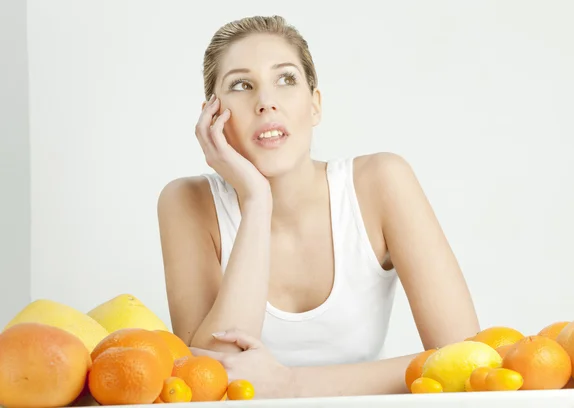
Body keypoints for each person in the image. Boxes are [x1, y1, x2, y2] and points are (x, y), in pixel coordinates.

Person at [157, 15, 480, 399]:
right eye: (242, 85)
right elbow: (211, 379)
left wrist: (289, 384)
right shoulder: (186, 203)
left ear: (315, 106)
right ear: (212, 117)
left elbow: (470, 359)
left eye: (286, 79)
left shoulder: (381, 182)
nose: (266, 103)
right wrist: (257, 200)